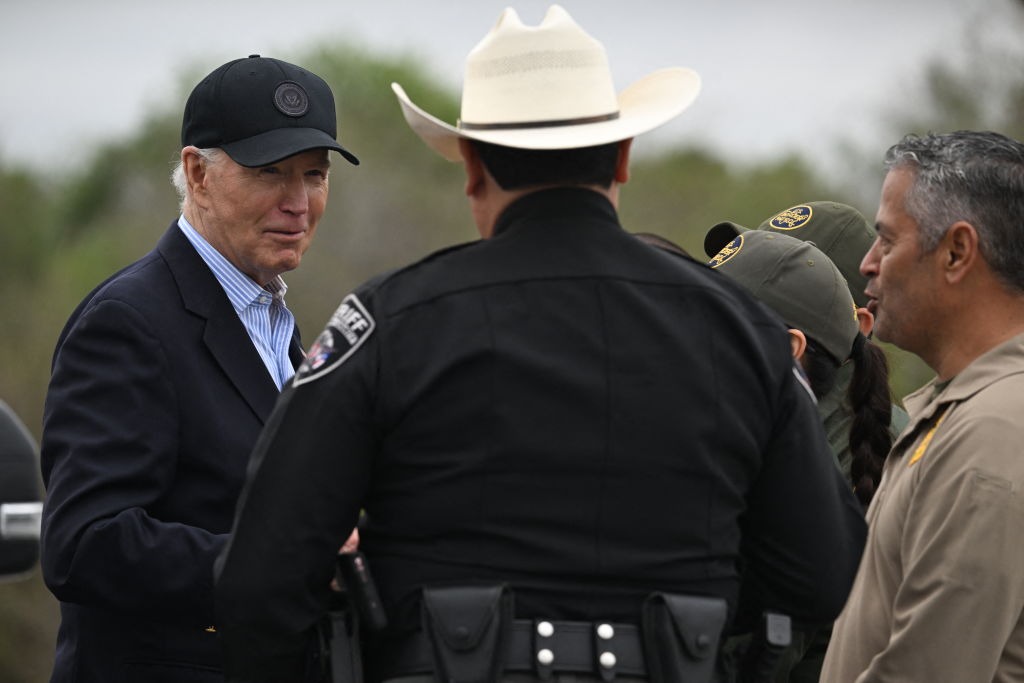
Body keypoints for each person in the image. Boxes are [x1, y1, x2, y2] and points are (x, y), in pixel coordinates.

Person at [214, 7, 866, 683]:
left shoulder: (389, 322)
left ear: (470, 166)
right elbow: (825, 575)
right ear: (622, 157)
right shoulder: (740, 331)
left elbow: (260, 581)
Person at [39, 54, 358, 683]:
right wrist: (281, 562)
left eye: (314, 175)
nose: (298, 202)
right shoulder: (128, 321)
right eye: (271, 172)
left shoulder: (274, 323)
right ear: (197, 173)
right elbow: (83, 545)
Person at [820, 130, 1024, 682]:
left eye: (887, 241)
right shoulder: (967, 409)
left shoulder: (994, 429)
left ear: (956, 252)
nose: (867, 264)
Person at [705, 201, 908, 507]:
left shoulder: (878, 449)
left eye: (797, 264)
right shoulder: (748, 412)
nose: (759, 258)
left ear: (861, 323)